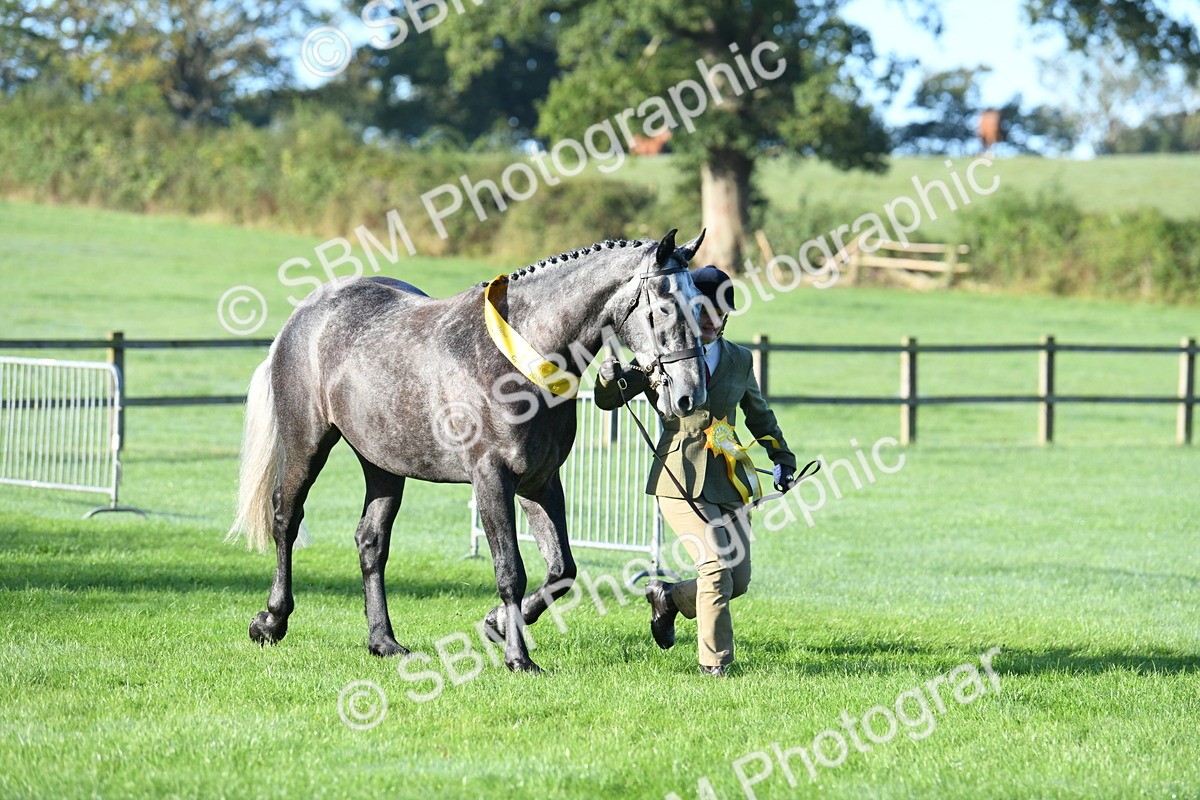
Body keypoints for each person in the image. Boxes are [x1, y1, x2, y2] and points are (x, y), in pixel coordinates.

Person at [594, 265, 797, 676]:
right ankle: (715, 666)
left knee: (737, 581)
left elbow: (758, 415)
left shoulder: (740, 359)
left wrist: (783, 459)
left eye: (719, 311)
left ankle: (668, 599)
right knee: (715, 566)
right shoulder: (660, 354)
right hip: (677, 478)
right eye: (701, 309)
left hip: (728, 480)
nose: (709, 319)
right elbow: (610, 400)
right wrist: (606, 378)